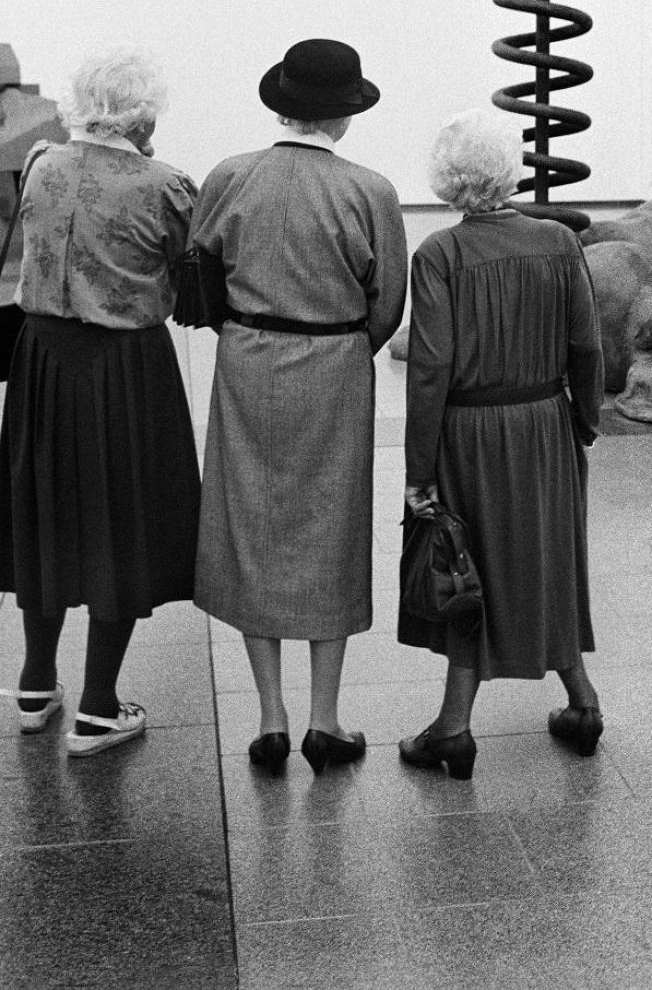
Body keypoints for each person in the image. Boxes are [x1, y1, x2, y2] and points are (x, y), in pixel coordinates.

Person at [190, 38, 407, 777]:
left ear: (279, 101)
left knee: (252, 525)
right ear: (344, 116)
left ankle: (270, 718)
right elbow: (387, 305)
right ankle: (326, 718)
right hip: (336, 367)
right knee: (331, 531)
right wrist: (343, 344)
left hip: (248, 360)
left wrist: (247, 331)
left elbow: (203, 275)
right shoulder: (370, 191)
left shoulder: (228, 176)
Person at [0, 47, 200, 755]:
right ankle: (96, 707)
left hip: (42, 361)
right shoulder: (167, 184)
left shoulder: (42, 165)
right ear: (144, 114)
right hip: (125, 367)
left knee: (45, 509)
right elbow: (193, 280)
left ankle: (32, 686)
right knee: (123, 517)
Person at [398, 107, 604, 780]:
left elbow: (428, 370)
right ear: (511, 168)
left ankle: (454, 728)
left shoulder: (440, 255)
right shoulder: (558, 242)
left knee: (468, 566)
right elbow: (586, 343)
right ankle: (582, 702)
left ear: (447, 180)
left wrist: (419, 470)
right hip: (544, 422)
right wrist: (583, 420)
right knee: (545, 557)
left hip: (467, 431)